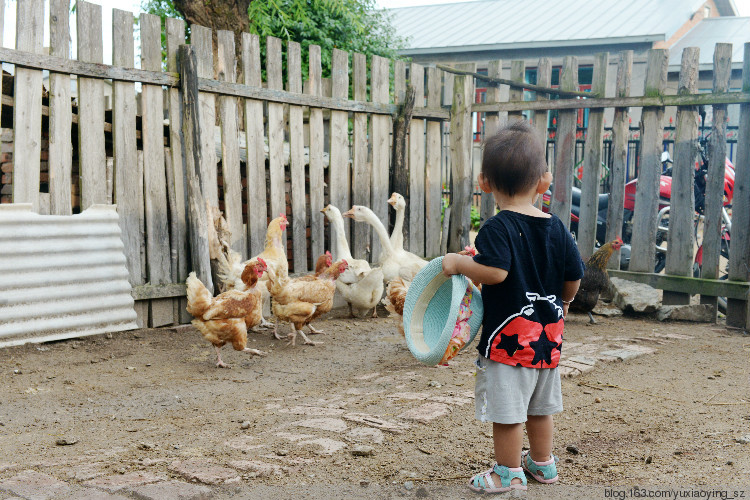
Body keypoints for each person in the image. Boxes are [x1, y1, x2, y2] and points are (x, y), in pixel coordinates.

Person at [442, 120, 584, 493]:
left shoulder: (497, 228)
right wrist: (566, 301)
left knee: (508, 414)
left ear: (483, 182)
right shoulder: (557, 227)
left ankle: (507, 473)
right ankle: (542, 465)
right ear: (544, 181)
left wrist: (459, 264)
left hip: (509, 345)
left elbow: (495, 271)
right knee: (540, 407)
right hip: (548, 339)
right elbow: (575, 274)